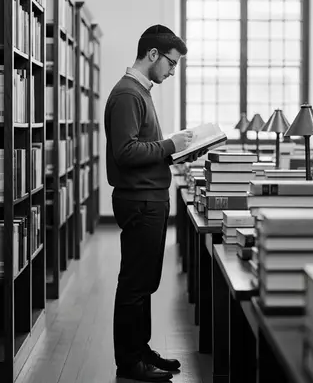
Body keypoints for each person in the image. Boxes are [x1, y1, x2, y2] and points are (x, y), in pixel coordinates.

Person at [105, 24, 205, 382]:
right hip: (140, 200)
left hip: (150, 197)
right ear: (152, 55)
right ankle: (129, 363)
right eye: (171, 63)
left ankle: (141, 350)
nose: (173, 70)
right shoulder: (129, 94)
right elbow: (126, 151)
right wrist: (171, 145)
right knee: (134, 284)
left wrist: (174, 154)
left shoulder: (140, 92)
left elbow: (142, 150)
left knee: (145, 282)